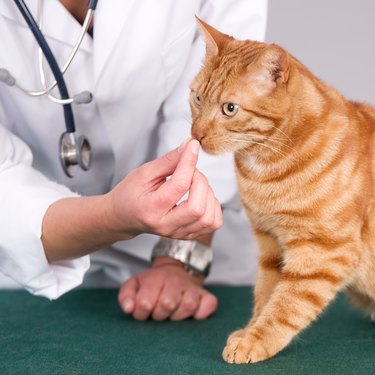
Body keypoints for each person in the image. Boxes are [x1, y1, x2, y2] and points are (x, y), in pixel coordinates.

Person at [0, 0, 267, 320]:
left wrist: (177, 260)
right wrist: (112, 216)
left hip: (192, 259)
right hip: (23, 268)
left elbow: (229, 105)